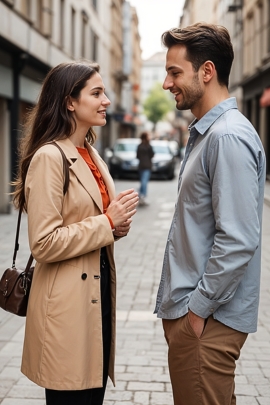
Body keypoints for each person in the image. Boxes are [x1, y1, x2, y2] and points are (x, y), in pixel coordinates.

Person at [12, 61, 139, 405]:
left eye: (104, 92)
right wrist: (107, 223)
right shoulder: (49, 158)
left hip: (96, 298)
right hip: (67, 307)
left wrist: (117, 226)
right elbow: (43, 243)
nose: (106, 101)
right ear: (70, 101)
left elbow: (92, 221)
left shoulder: (92, 154)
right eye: (96, 93)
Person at [154, 22, 266, 405]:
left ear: (207, 71)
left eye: (174, 72)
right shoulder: (210, 133)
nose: (167, 83)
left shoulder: (227, 137)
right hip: (202, 322)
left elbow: (238, 239)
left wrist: (196, 313)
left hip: (208, 324)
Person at [136, 131, 154, 205]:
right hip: (147, 166)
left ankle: (141, 195)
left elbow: (137, 156)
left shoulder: (139, 146)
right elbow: (152, 155)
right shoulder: (148, 146)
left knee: (143, 181)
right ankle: (142, 195)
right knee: (144, 181)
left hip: (141, 165)